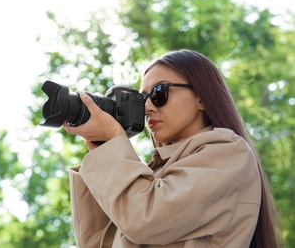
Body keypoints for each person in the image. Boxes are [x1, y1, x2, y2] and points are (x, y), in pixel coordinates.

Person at [63, 49, 283, 247]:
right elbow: (99, 243)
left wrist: (113, 142)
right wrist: (102, 151)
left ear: (201, 98)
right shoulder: (151, 176)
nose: (147, 107)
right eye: (142, 99)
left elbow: (143, 220)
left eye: (159, 93)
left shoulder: (229, 152)